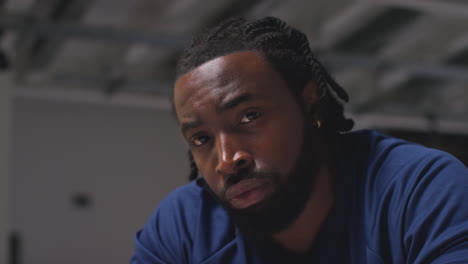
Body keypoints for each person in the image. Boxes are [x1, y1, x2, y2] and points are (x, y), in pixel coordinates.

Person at [131, 17, 468, 263]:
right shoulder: (185, 228)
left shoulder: (420, 190)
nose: (227, 159)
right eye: (202, 138)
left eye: (249, 116)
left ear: (309, 103)